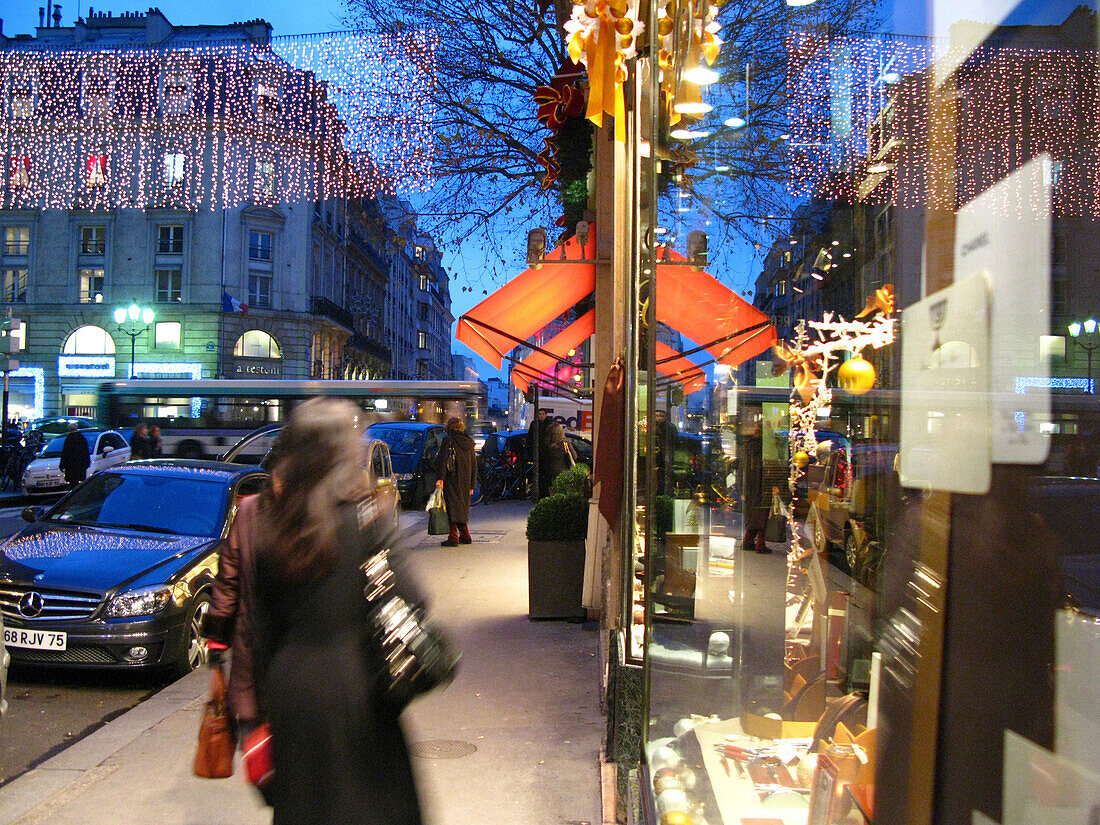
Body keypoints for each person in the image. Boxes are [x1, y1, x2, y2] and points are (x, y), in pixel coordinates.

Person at [251, 398, 425, 825]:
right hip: (360, 691)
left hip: (293, 697)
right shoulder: (367, 522)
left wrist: (257, 720)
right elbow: (413, 600)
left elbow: (257, 633)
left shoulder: (271, 528)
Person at [436, 416, 478, 546]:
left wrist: (440, 478)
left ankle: (453, 537)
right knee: (462, 506)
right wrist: (472, 484)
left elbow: (443, 461)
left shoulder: (448, 440)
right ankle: (465, 535)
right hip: (465, 480)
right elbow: (474, 465)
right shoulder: (469, 442)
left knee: (451, 506)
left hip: (451, 478)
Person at [545, 421, 577, 487]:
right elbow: (574, 456)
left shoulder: (546, 444)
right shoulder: (565, 444)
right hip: (563, 473)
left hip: (549, 474)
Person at [58, 422, 90, 487]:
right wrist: (87, 463)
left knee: (72, 483)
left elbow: (65, 453)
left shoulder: (68, 439)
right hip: (80, 464)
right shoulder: (82, 438)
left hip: (70, 466)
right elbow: (85, 451)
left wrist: (62, 465)